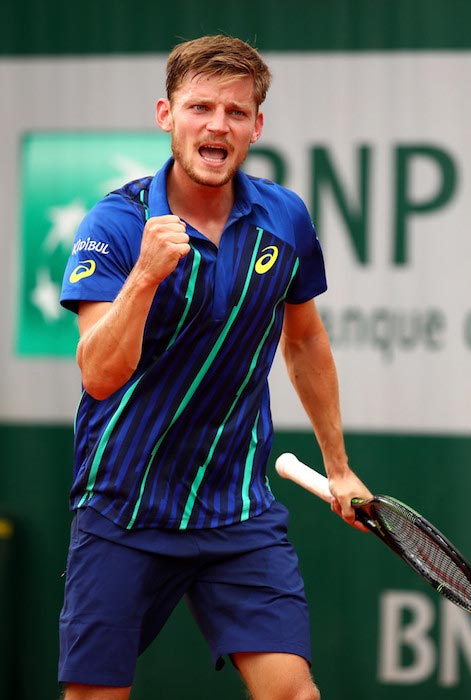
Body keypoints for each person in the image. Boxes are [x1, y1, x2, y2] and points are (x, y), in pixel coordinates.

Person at [58, 34, 372, 700]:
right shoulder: (114, 225)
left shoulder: (284, 218)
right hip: (123, 508)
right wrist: (144, 275)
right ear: (166, 115)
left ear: (256, 126)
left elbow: (305, 339)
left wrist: (338, 466)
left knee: (293, 693)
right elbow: (98, 375)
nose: (216, 125)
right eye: (200, 108)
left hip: (236, 512)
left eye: (234, 112)